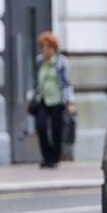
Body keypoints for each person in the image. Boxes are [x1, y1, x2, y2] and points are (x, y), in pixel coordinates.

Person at [33, 32, 75, 168]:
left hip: (57, 100)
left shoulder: (61, 62)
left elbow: (67, 83)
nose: (45, 51)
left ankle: (55, 158)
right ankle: (46, 156)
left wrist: (69, 102)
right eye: (43, 47)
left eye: (48, 47)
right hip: (43, 99)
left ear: (54, 48)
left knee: (56, 130)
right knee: (41, 126)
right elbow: (36, 81)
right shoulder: (39, 61)